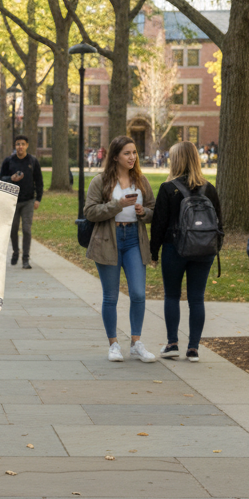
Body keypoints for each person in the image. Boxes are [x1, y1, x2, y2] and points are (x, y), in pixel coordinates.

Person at [84, 135, 156, 363]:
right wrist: (118, 205)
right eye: (127, 153)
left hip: (134, 238)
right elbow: (90, 211)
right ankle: (113, 344)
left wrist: (144, 212)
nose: (132, 157)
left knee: (138, 293)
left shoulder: (142, 181)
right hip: (109, 239)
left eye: (134, 153)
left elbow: (154, 210)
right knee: (111, 296)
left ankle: (136, 343)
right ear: (115, 156)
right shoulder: (101, 181)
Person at [150, 141, 223, 362]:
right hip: (204, 249)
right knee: (196, 298)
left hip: (175, 247)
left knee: (172, 295)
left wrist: (154, 252)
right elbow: (219, 222)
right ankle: (193, 348)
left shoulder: (168, 188)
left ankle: (172, 343)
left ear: (176, 160)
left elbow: (158, 224)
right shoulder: (209, 188)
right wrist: (214, 247)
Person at [0, 134, 44, 268]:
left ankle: (26, 258)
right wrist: (10, 179)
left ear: (27, 145)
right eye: (18, 144)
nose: (20, 146)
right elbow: (0, 179)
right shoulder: (9, 161)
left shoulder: (32, 161)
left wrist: (38, 199)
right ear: (15, 146)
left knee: (26, 229)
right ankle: (15, 252)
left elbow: (39, 181)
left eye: (23, 144)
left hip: (28, 201)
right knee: (13, 229)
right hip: (12, 201)